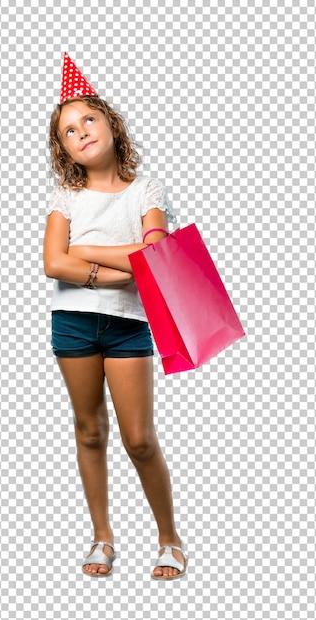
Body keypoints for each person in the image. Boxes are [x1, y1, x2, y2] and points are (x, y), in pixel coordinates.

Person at [43, 53, 188, 580]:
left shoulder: (146, 191)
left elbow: (155, 257)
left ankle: (169, 538)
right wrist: (116, 270)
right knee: (88, 430)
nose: (81, 132)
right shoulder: (65, 196)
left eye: (88, 120)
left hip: (129, 325)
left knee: (139, 437)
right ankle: (102, 537)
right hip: (73, 322)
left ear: (110, 124)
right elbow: (51, 262)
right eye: (68, 131)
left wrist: (85, 252)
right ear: (63, 149)